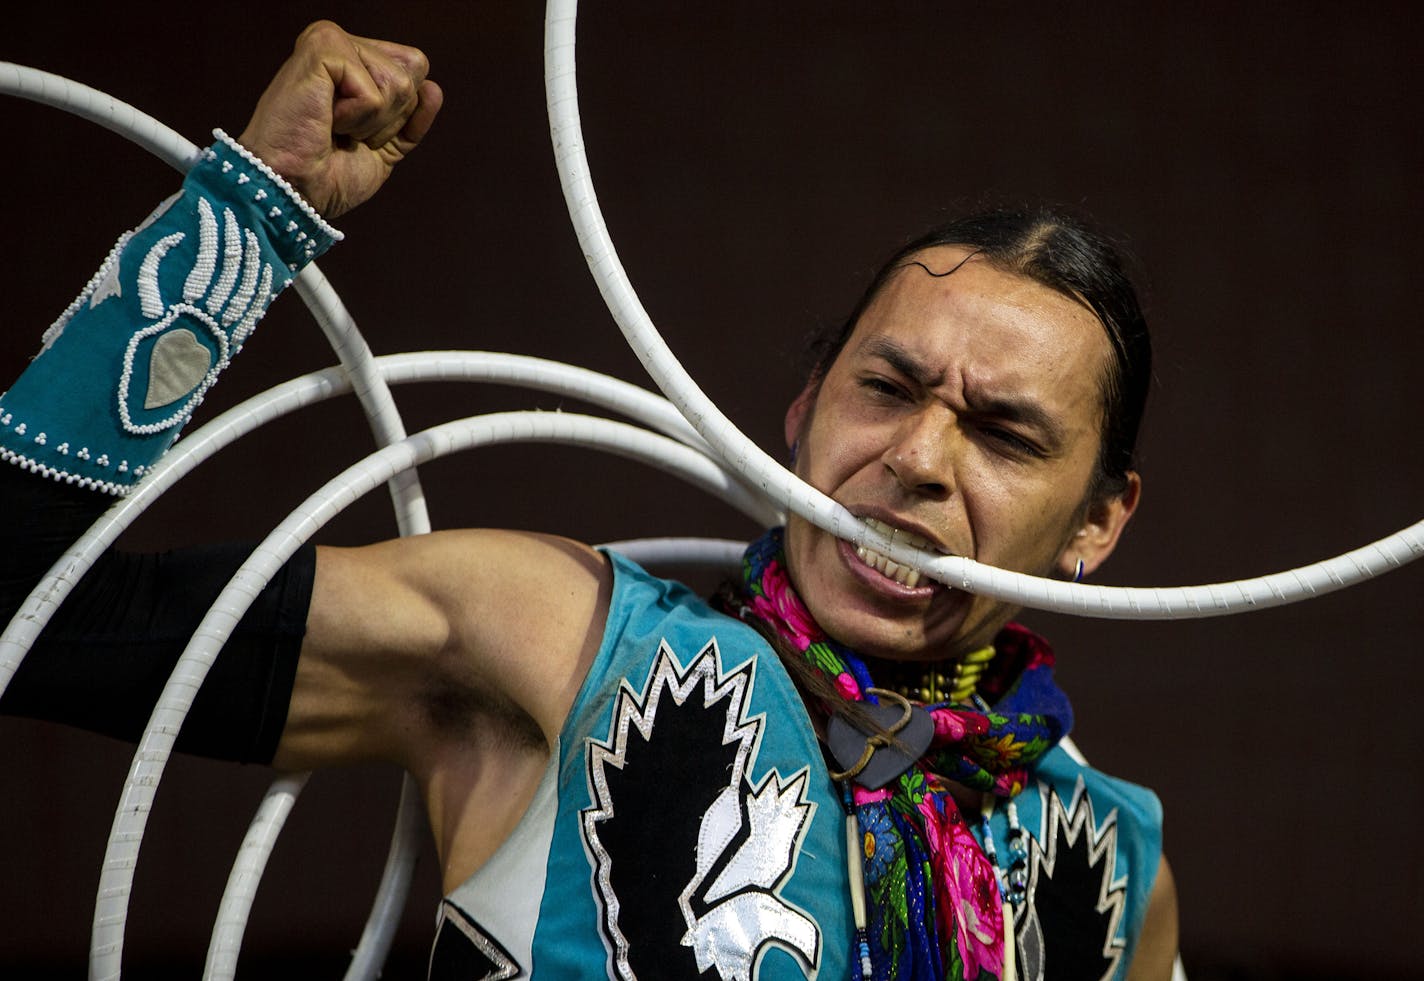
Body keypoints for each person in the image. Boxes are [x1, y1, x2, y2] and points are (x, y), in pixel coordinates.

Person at [0, 20, 1177, 981]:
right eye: (886, 387)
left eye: (1002, 432)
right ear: (803, 406)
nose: (917, 455)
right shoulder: (559, 635)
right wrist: (249, 218)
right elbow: (24, 611)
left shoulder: (1112, 862)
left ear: (1097, 521)